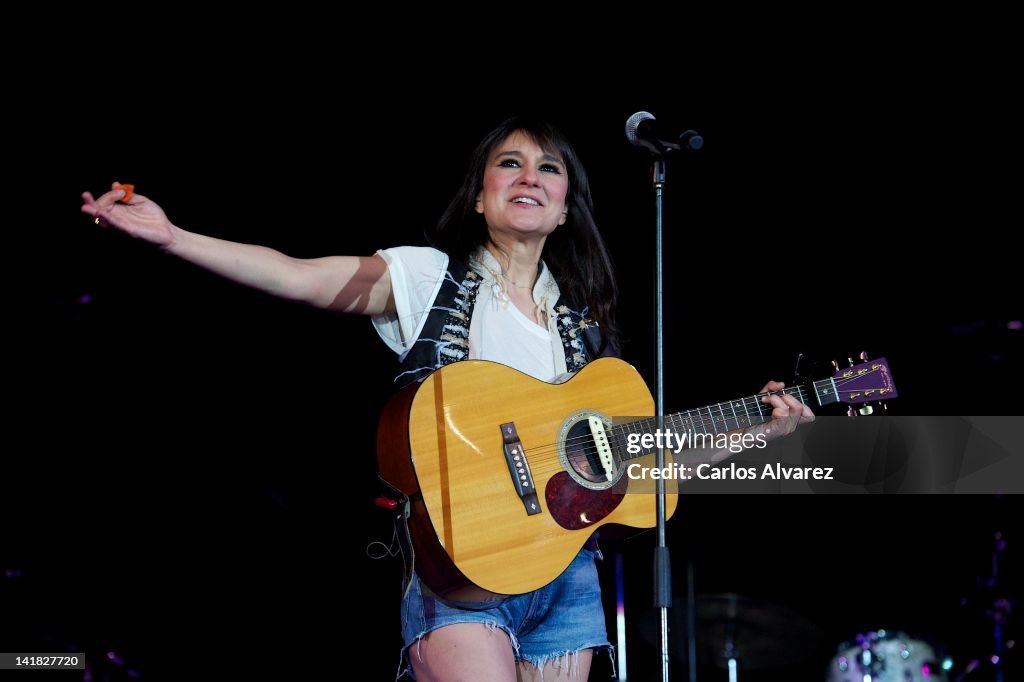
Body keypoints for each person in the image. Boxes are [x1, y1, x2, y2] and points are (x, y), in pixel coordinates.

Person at [81, 116, 814, 681]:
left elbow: (640, 473)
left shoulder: (586, 331)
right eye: (510, 163)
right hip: (460, 565)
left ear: (564, 208)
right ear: (479, 195)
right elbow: (296, 275)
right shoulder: (430, 279)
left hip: (567, 579)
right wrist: (174, 238)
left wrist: (754, 431)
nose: (529, 175)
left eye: (548, 168)